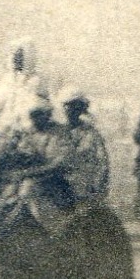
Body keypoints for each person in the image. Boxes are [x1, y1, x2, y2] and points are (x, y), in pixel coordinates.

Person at [0, 96, 76, 236]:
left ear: (47, 115)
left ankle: (56, 231)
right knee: (5, 189)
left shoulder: (60, 133)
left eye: (38, 114)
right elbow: (23, 154)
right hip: (33, 175)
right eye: (32, 115)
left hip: (55, 179)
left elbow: (58, 164)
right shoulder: (29, 132)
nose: (34, 119)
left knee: (27, 189)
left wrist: (26, 173)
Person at [0, 39, 50, 138]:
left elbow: (37, 108)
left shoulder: (37, 80)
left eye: (20, 56)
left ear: (28, 57)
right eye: (14, 55)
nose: (16, 59)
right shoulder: (7, 80)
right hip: (4, 131)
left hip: (26, 132)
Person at [56, 86, 111, 214]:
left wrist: (97, 186)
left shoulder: (91, 134)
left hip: (85, 184)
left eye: (72, 105)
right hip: (61, 184)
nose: (68, 109)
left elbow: (103, 163)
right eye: (65, 105)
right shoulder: (57, 132)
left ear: (80, 108)